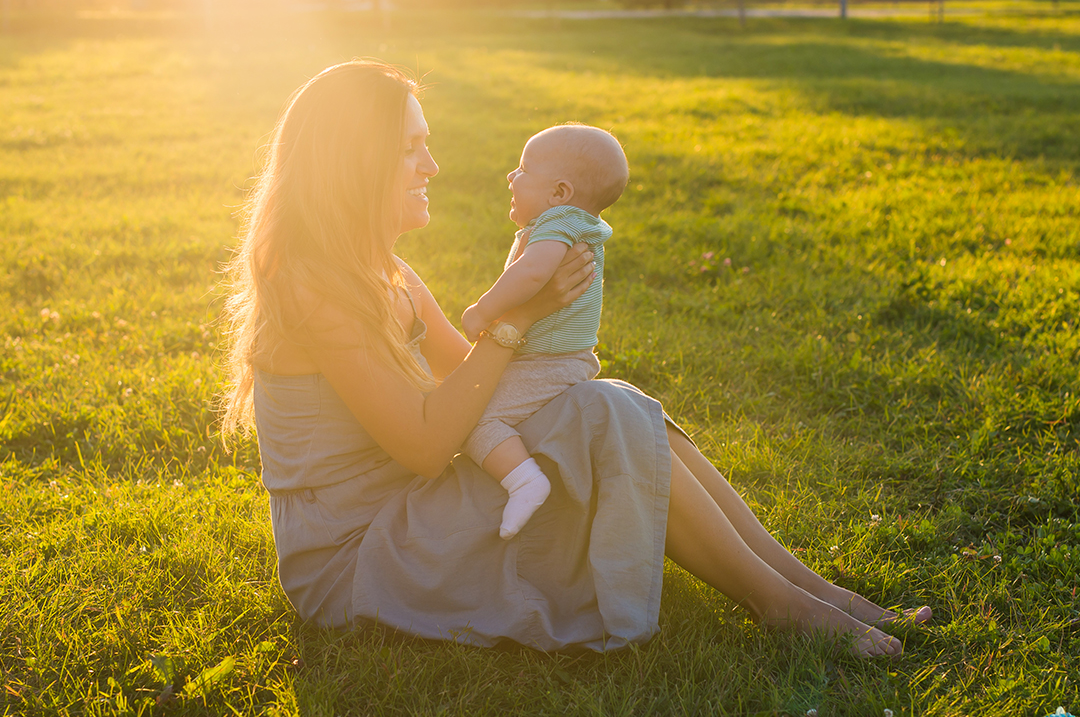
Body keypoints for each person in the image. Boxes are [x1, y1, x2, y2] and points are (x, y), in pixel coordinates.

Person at [222, 59, 930, 657]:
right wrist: (519, 317)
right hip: (359, 558)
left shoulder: (390, 275)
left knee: (621, 407)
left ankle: (811, 591)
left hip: (411, 517)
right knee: (603, 411)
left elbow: (465, 378)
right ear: (355, 160)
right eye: (411, 149)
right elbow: (427, 443)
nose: (431, 165)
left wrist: (536, 326)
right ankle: (783, 607)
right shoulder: (314, 287)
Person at [460, 124, 627, 539]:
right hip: (555, 358)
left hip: (550, 362)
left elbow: (532, 273)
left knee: (473, 419)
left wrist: (483, 311)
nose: (510, 178)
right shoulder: (569, 220)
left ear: (559, 193)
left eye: (522, 169)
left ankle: (524, 481)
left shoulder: (560, 221)